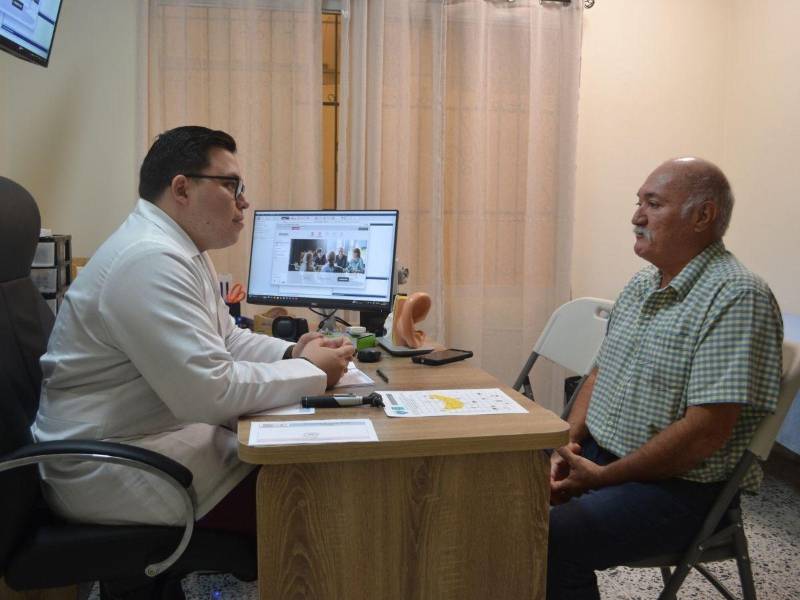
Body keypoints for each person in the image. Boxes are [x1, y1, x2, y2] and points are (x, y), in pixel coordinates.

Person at [33, 126, 354, 534]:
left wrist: (291, 353)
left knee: (297, 460)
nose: (244, 201)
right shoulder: (148, 260)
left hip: (145, 441)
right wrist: (312, 370)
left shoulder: (180, 249)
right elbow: (211, 393)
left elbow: (228, 338)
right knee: (311, 495)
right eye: (231, 185)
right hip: (114, 466)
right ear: (182, 189)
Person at [547, 157, 783, 600]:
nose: (636, 217)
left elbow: (702, 435)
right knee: (498, 489)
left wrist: (601, 478)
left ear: (703, 215)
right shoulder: (641, 284)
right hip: (603, 458)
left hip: (680, 488)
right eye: (638, 203)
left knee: (552, 537)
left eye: (652, 204)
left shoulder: (737, 296)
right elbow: (600, 373)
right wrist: (569, 446)